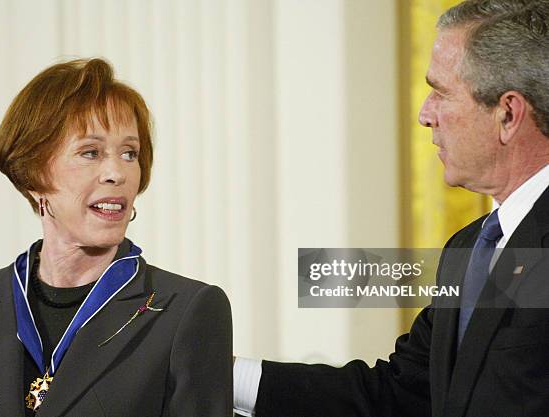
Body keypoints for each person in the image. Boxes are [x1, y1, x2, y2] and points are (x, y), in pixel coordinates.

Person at [234, 1, 549, 416]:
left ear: (507, 113)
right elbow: (400, 394)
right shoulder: (467, 248)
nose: (424, 114)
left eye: (441, 92)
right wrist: (218, 374)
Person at [0, 58, 232, 416]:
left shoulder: (186, 311)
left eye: (130, 153)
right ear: (33, 174)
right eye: (90, 152)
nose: (116, 173)